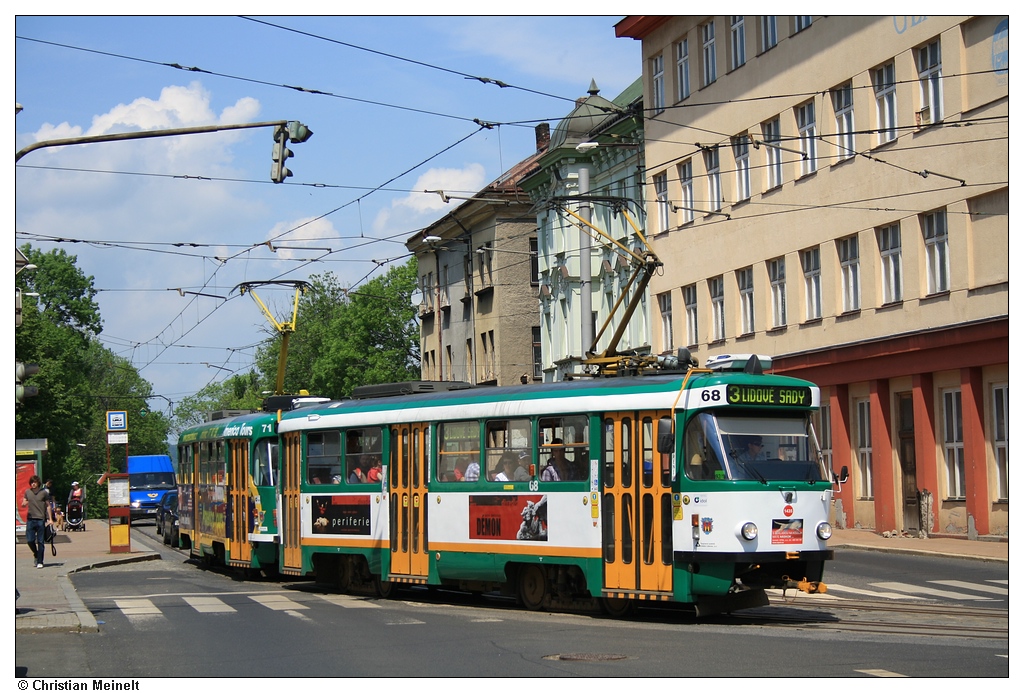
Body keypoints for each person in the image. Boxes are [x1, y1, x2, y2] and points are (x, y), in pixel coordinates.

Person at [21, 475, 54, 569]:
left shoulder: (44, 493)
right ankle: (36, 553)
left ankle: (40, 561)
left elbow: (48, 506)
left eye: (34, 482)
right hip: (30, 519)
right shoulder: (28, 492)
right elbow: (24, 501)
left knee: (40, 541)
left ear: (38, 483)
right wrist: (24, 503)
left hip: (40, 519)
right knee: (30, 540)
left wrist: (50, 519)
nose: (33, 484)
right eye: (31, 482)